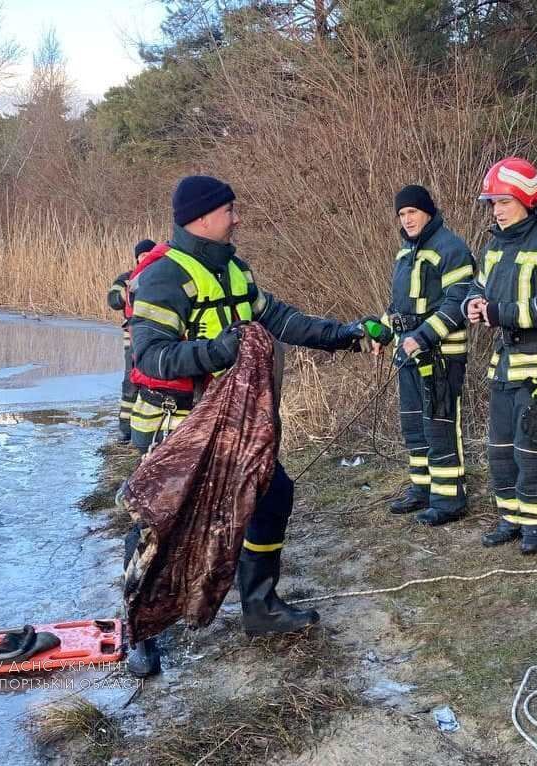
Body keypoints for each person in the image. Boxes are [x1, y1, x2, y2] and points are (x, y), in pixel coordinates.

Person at [124, 175, 366, 676]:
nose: (237, 219)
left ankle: (260, 605)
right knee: (159, 523)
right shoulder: (162, 276)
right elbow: (150, 355)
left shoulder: (235, 269)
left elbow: (281, 319)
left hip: (236, 424)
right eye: (230, 210)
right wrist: (217, 352)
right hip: (178, 424)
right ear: (203, 216)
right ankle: (141, 630)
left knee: (273, 493)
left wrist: (345, 335)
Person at [464, 157, 537, 555]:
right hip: (506, 364)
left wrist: (499, 313)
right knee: (499, 448)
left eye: (503, 202)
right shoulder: (495, 245)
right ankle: (510, 519)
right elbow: (475, 286)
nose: (495, 210)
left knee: (532, 449)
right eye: (492, 203)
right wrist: (473, 303)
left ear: (527, 199)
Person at [369, 185, 475, 526]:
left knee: (439, 423)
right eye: (401, 214)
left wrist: (423, 336)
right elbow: (399, 306)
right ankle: (423, 488)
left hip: (442, 354)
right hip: (408, 353)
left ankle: (449, 500)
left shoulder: (452, 248)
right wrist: (384, 332)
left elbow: (457, 302)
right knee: (414, 424)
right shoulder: (405, 251)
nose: (407, 219)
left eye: (412, 212)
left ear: (427, 211)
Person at [107, 239, 156, 442]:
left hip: (155, 335)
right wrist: (127, 292)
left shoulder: (161, 277)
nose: (145, 259)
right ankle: (126, 428)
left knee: (151, 379)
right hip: (133, 336)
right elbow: (113, 300)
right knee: (130, 380)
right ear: (137, 258)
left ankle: (147, 427)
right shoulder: (126, 278)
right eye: (142, 256)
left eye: (148, 255)